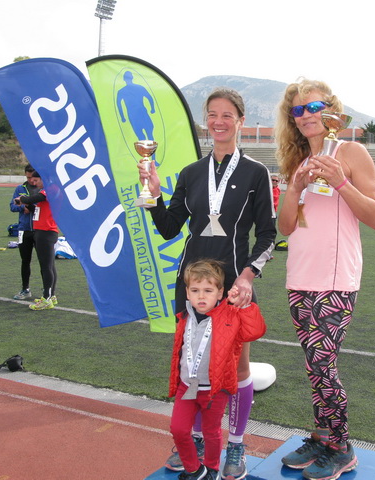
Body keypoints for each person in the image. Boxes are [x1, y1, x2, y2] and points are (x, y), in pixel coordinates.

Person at [138, 87, 276, 479]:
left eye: (227, 115)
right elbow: (169, 228)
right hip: (193, 287)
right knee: (193, 364)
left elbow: (268, 235)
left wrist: (247, 276)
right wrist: (154, 196)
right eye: (212, 114)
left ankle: (237, 444)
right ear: (206, 121)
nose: (218, 121)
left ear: (240, 121)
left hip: (233, 287)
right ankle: (197, 439)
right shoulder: (191, 173)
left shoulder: (256, 173)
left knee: (238, 370)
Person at [274, 78, 375, 480]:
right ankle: (323, 436)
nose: (305, 115)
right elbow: (286, 227)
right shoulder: (298, 161)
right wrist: (295, 188)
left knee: (324, 366)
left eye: (313, 107)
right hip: (299, 275)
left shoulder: (350, 151)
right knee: (314, 366)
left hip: (335, 278)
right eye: (297, 110)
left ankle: (341, 446)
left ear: (331, 110)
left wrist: (339, 181)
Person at [169, 259, 266, 480]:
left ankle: (211, 469)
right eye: (195, 290)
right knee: (178, 429)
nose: (201, 296)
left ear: (220, 292)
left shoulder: (230, 316)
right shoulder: (184, 317)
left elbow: (255, 331)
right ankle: (195, 469)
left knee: (211, 432)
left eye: (208, 290)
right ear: (187, 293)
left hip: (214, 390)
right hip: (187, 387)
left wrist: (244, 307)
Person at [14, 170, 59, 311]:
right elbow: (38, 210)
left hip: (46, 232)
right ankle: (50, 296)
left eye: (36, 180)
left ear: (43, 179)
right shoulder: (45, 192)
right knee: (48, 265)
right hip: (42, 231)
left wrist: (23, 199)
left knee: (46, 266)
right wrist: (27, 205)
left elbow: (35, 198)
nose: (34, 183)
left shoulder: (50, 189)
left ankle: (47, 298)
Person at [10, 164, 38, 300]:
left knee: (45, 263)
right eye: (28, 177)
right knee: (25, 261)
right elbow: (12, 206)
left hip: (40, 230)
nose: (30, 180)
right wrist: (22, 208)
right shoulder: (20, 189)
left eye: (32, 177)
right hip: (24, 230)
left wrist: (33, 208)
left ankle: (48, 292)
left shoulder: (43, 188)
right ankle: (25, 289)